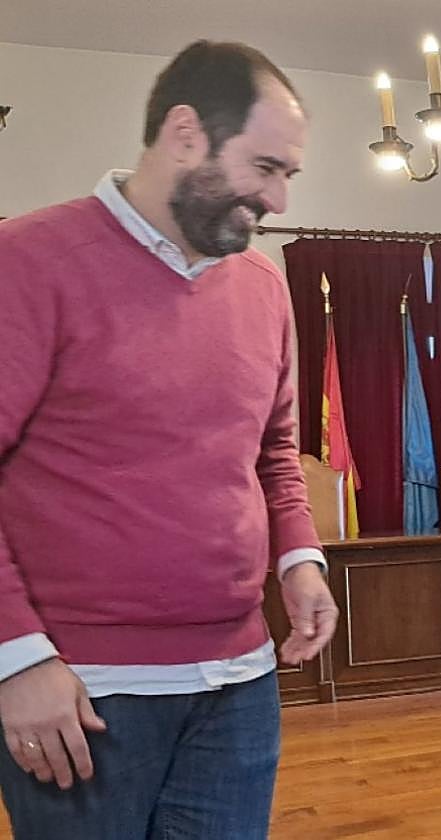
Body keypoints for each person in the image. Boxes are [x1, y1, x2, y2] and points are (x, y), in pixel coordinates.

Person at [0, 40, 337, 839]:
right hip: (80, 693)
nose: (280, 200)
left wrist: (299, 560)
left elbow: (273, 451)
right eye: (266, 167)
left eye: (290, 174)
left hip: (241, 683)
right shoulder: (29, 261)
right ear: (185, 133)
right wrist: (16, 658)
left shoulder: (262, 286)